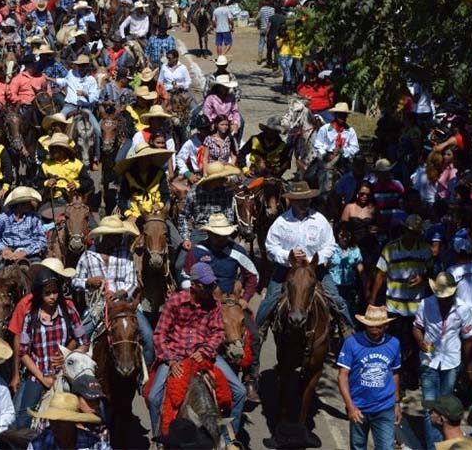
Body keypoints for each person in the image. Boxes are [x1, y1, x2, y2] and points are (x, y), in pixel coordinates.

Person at [148, 263, 246, 441]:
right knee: (154, 397)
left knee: (240, 391)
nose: (210, 289)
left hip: (204, 355)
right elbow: (160, 333)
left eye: (212, 284)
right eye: (206, 285)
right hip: (176, 355)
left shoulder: (214, 304)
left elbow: (218, 332)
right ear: (193, 284)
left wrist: (205, 350)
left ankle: (228, 439)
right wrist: (171, 359)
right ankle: (160, 439)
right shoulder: (176, 301)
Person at [256, 182, 353, 335]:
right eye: (299, 200)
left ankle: (347, 329)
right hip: (287, 268)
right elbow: (271, 246)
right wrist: (288, 256)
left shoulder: (320, 220)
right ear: (292, 201)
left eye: (306, 200)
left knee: (335, 297)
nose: (304, 203)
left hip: (315, 269)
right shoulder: (281, 222)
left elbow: (330, 245)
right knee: (270, 299)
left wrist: (314, 259)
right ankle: (258, 333)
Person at [185, 214, 261, 401]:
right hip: (204, 301)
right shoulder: (197, 252)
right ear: (209, 234)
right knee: (187, 334)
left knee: (254, 335)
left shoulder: (237, 251)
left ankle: (250, 378)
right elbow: (185, 276)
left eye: (224, 235)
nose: (221, 238)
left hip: (231, 302)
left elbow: (253, 276)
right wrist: (196, 297)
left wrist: (245, 298)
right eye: (217, 235)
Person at [72, 216, 154, 364]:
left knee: (148, 337)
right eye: (115, 236)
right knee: (81, 336)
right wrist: (89, 282)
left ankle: (145, 372)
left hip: (125, 305)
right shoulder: (88, 256)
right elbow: (75, 281)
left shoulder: (125, 254)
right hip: (98, 306)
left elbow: (132, 283)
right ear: (105, 236)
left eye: (120, 235)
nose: (119, 239)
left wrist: (117, 294)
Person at [14, 273, 88, 429]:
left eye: (55, 292)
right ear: (40, 294)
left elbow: (83, 342)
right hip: (39, 374)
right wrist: (42, 378)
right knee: (22, 419)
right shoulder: (30, 317)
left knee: (90, 408)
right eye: (47, 293)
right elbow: (23, 353)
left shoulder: (69, 311)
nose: (52, 297)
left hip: (66, 373)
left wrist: (68, 356)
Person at [367, 214, 433, 389]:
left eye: (416, 233)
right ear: (405, 230)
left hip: (416, 307)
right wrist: (372, 300)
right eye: (410, 232)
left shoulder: (425, 250)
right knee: (395, 343)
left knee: (413, 344)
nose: (413, 235)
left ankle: (408, 376)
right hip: (394, 306)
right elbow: (380, 275)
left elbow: (432, 272)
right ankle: (396, 380)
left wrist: (423, 278)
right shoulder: (390, 249)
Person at [415, 272, 472, 450]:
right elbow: (417, 327)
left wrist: (467, 365)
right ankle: (433, 447)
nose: (444, 300)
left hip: (451, 362)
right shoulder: (425, 304)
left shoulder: (463, 309)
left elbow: (468, 339)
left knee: (445, 407)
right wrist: (420, 341)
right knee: (429, 406)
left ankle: (443, 442)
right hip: (429, 361)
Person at [337, 305, 402, 450]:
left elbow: (395, 373)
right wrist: (351, 407)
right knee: (358, 447)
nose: (374, 330)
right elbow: (342, 376)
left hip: (385, 407)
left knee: (386, 447)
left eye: (379, 327)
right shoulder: (351, 343)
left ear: (386, 326)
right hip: (359, 407)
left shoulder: (394, 344)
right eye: (370, 326)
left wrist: (397, 403)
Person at [0, 186, 46, 279]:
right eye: (27, 202)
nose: (30, 204)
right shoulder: (2, 219)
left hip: (31, 256)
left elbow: (41, 239)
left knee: (45, 278)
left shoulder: (34, 218)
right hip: (10, 257)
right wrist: (3, 249)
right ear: (19, 205)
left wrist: (26, 251)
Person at [26, 392, 107, 450]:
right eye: (52, 421)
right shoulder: (38, 444)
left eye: (62, 423)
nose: (55, 427)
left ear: (72, 422)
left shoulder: (93, 444)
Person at [117, 143, 173, 220]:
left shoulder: (159, 173)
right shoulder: (128, 175)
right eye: (143, 158)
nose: (145, 160)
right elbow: (122, 199)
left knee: (172, 228)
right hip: (135, 215)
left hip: (156, 214)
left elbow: (166, 195)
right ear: (138, 159)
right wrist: (129, 214)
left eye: (148, 157)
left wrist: (159, 205)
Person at [35, 133, 93, 200]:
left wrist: (76, 185)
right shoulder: (45, 165)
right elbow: (37, 182)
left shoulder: (77, 164)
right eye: (52, 148)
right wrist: (47, 183)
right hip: (51, 199)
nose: (53, 150)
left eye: (57, 148)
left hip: (72, 199)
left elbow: (88, 182)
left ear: (64, 150)